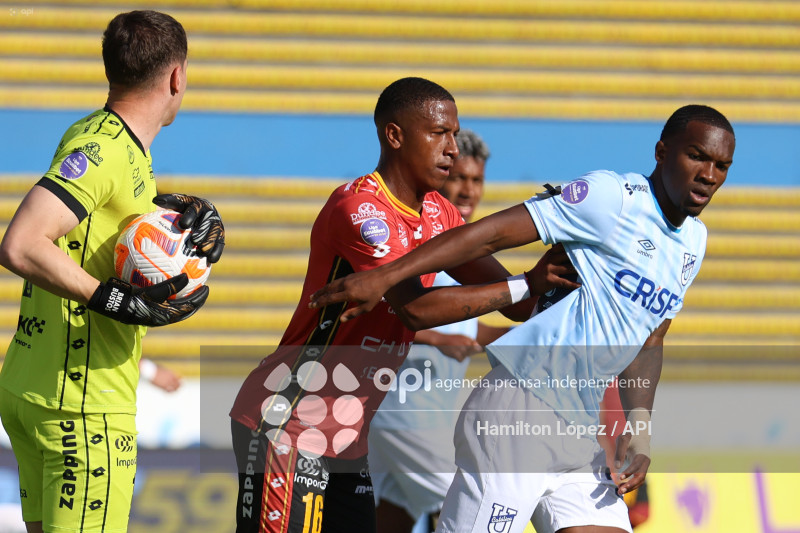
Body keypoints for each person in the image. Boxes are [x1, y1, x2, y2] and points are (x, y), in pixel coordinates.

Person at [310, 104, 735, 533]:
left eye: (721, 165)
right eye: (696, 156)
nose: (709, 174)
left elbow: (651, 341)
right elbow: (492, 233)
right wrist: (388, 275)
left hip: (579, 429)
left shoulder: (693, 244)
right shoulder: (612, 199)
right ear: (662, 152)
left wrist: (640, 428)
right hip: (519, 411)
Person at [229, 77, 578, 533]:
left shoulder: (439, 212)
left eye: (454, 133)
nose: (452, 147)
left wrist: (566, 253)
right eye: (439, 134)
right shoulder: (361, 209)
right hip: (289, 423)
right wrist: (523, 285)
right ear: (394, 135)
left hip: (348, 435)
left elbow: (516, 302)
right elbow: (415, 309)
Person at [0, 10, 224, 533]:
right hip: (83, 408)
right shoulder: (104, 151)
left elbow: (97, 225)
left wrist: (171, 215)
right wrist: (113, 299)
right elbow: (21, 242)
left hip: (36, 388)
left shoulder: (95, 134)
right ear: (177, 76)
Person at [368, 129, 508, 533]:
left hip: (419, 412)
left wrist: (525, 338)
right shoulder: (419, 239)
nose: (468, 189)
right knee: (470, 500)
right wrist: (436, 338)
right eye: (459, 177)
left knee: (391, 515)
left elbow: (464, 324)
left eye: (476, 180)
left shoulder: (462, 247)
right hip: (404, 410)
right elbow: (380, 311)